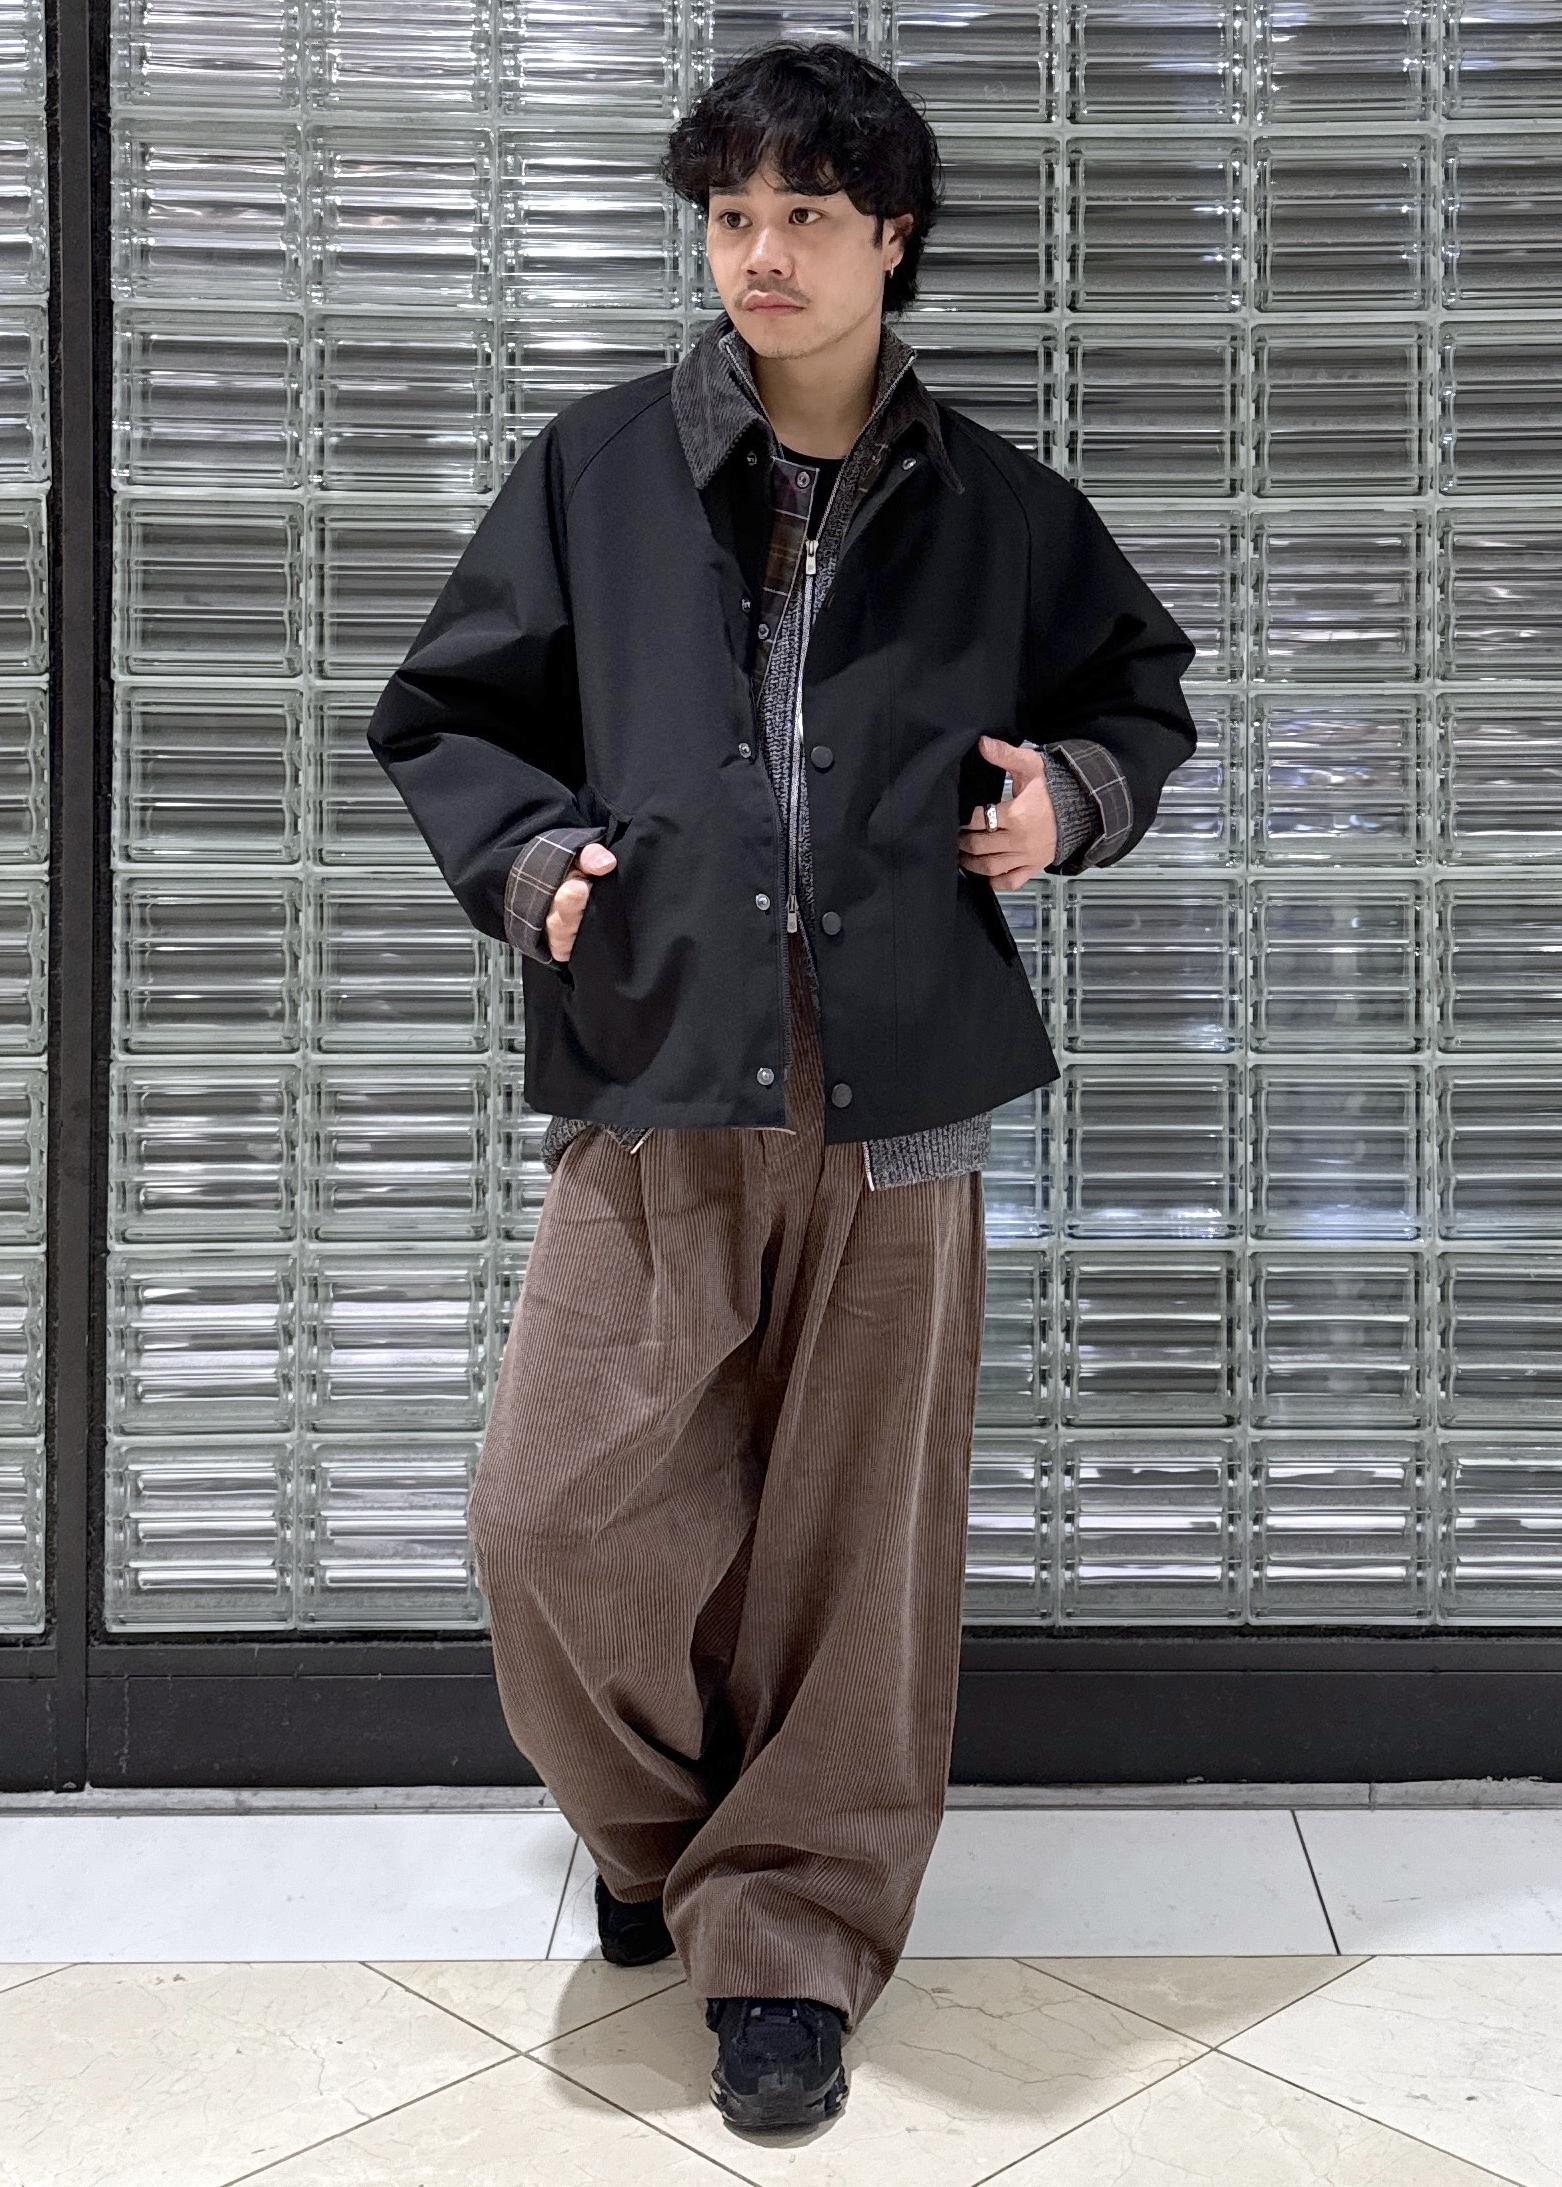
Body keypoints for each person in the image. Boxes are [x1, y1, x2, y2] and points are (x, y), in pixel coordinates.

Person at [366, 38, 1198, 2139]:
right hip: (660, 1054)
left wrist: (1065, 801)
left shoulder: (999, 506)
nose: (759, 253)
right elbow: (446, 716)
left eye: (805, 215)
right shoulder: (596, 471)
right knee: (549, 1512)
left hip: (900, 1084)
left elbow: (1136, 695)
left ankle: (790, 1943)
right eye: (730, 215)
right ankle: (662, 1837)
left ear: (888, 236)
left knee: (854, 1543)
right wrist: (538, 861)